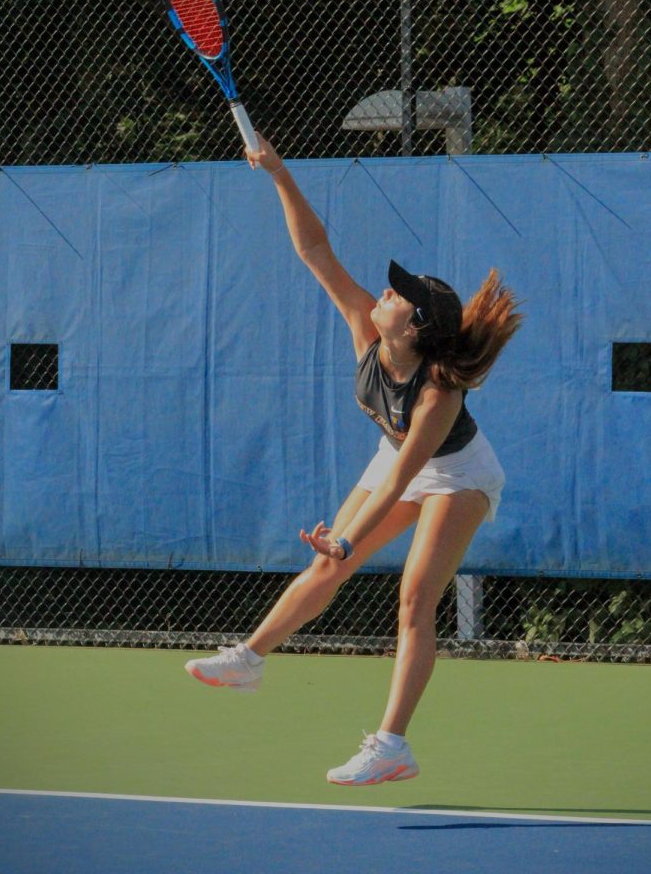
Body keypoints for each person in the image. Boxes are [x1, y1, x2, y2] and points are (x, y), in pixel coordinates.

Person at [185, 134, 522, 786]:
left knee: (415, 597)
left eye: (398, 297)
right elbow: (315, 251)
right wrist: (279, 171)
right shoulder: (367, 328)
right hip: (395, 455)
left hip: (458, 476)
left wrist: (348, 538)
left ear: (416, 328)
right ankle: (251, 658)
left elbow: (404, 477)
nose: (384, 296)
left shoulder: (438, 395)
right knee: (325, 564)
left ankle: (393, 744)